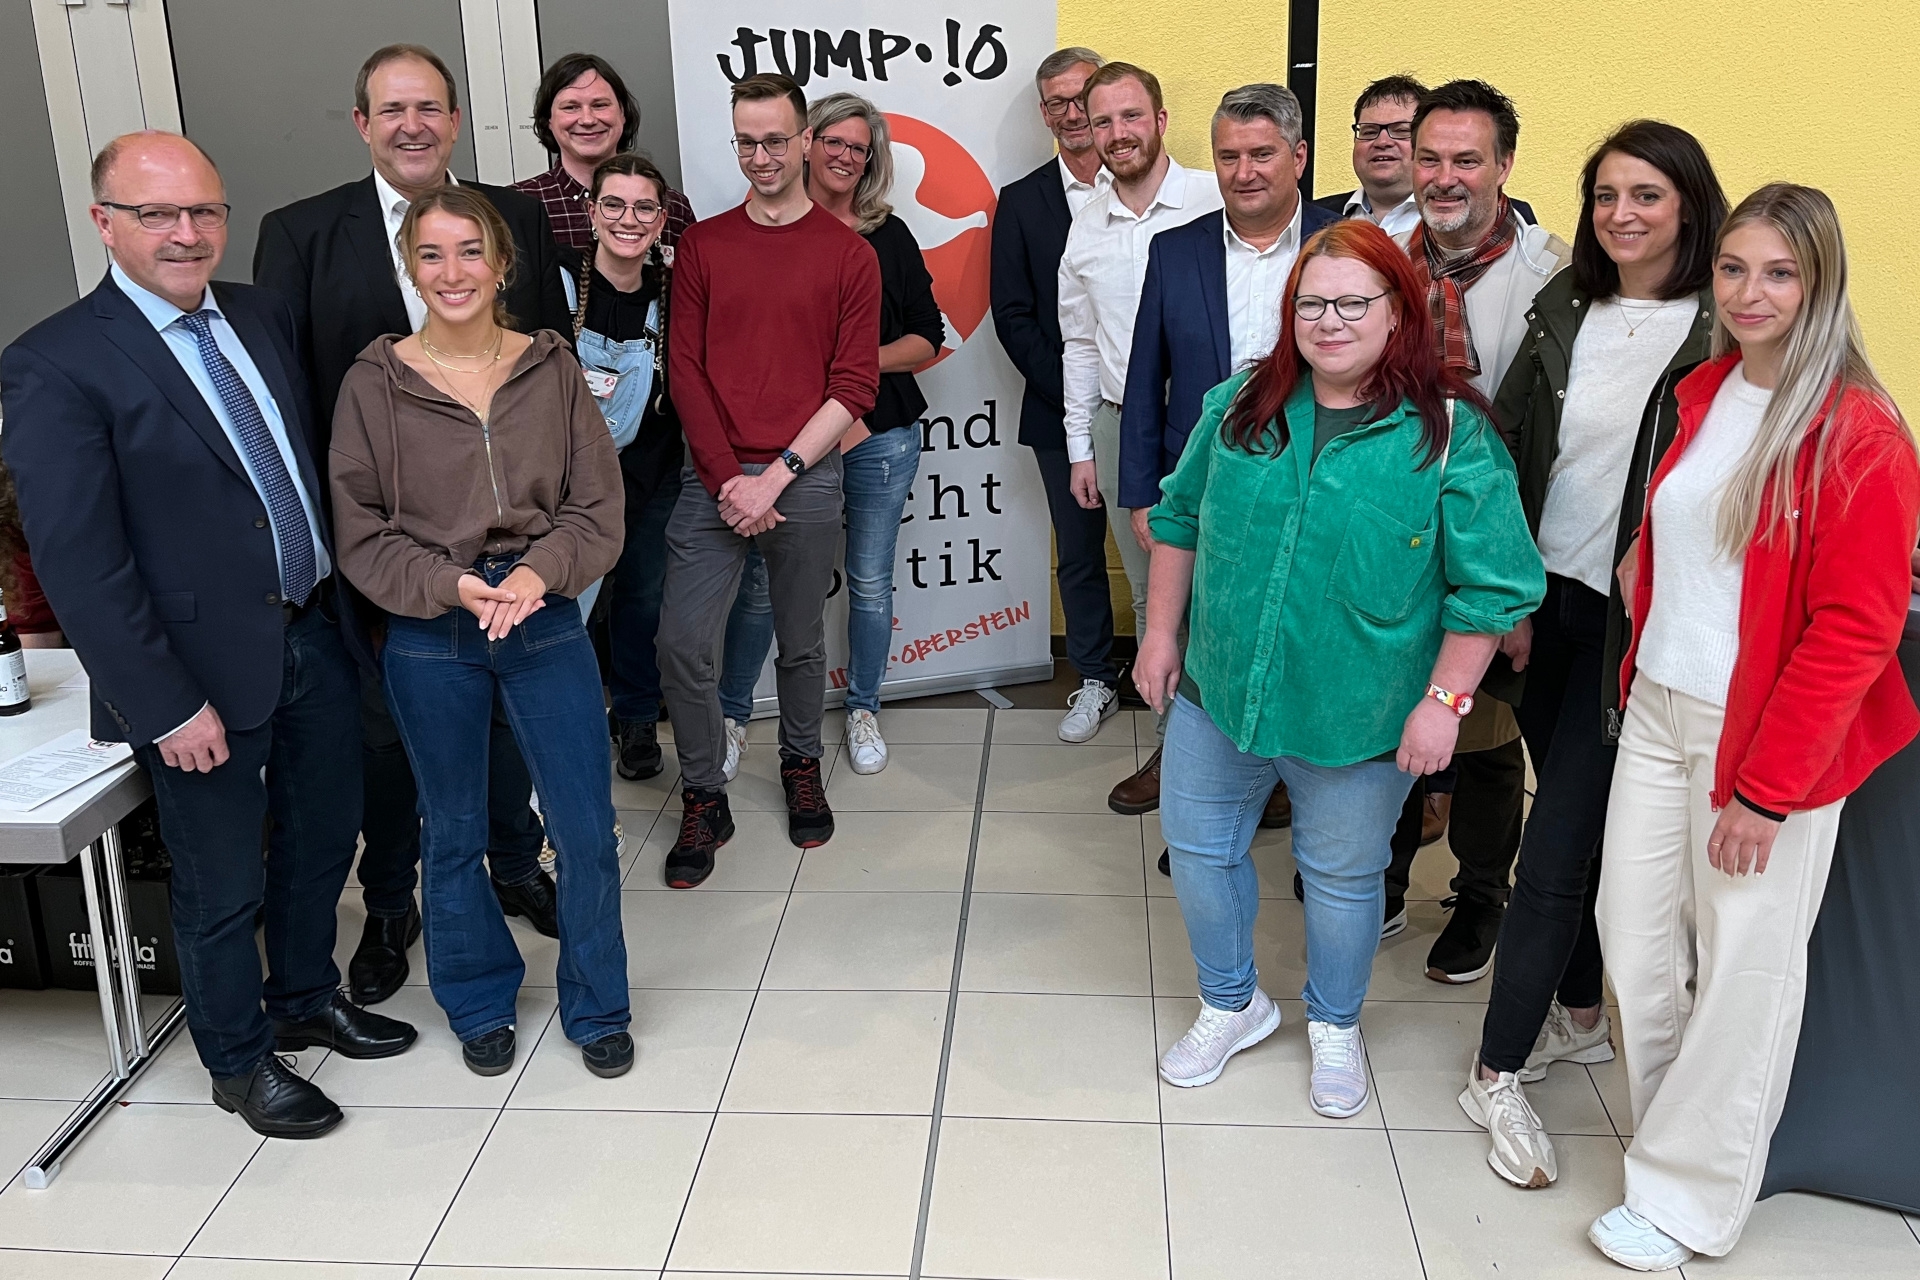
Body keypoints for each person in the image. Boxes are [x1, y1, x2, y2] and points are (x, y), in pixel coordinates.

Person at [1, 132, 418, 1139]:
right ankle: (237, 1061)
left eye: (204, 210)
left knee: (323, 842)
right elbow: (81, 564)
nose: (186, 232)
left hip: (313, 633)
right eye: (157, 213)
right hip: (194, 676)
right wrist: (164, 704)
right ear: (105, 223)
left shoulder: (260, 313)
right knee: (221, 883)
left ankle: (305, 997)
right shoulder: (53, 364)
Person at [1138, 219, 1543, 1117]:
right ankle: (1231, 1003)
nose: (1329, 322)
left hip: (1357, 712)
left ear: (1399, 310)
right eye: (1310, 304)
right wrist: (1161, 635)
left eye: (1353, 303)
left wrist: (1443, 702)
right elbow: (1179, 519)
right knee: (1200, 852)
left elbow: (1493, 587)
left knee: (1341, 881)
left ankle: (1333, 1022)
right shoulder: (1240, 405)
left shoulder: (1448, 434)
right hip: (1220, 691)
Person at [1586, 184, 1920, 1271]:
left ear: (1820, 283)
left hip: (1766, 733)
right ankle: (1679, 1142)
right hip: (1658, 703)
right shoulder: (1706, 387)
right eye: (1734, 268)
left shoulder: (1859, 431)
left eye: (1780, 272)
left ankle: (1692, 1199)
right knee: (1634, 938)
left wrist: (1768, 791)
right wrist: (1647, 567)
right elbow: (1687, 529)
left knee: (1744, 966)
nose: (1750, 292)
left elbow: (1856, 630)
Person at [254, 43, 572, 1000]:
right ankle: (394, 900)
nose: (412, 126)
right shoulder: (301, 233)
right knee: (386, 731)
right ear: (362, 124)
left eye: (429, 107)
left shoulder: (513, 218)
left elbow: (550, 372)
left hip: (511, 546)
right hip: (383, 551)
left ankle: (514, 861)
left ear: (456, 121)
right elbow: (287, 401)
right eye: (392, 110)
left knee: (506, 714)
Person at [1462, 121, 1727, 1191]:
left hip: (1636, 625)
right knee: (1573, 812)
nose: (1622, 215)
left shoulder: (1723, 327)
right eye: (1607, 195)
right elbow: (1506, 444)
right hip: (1547, 604)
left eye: (1647, 196)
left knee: (1562, 839)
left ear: (1690, 205)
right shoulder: (1568, 303)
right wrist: (1506, 592)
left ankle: (1493, 1068)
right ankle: (1578, 1011)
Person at [329, 185, 633, 1081]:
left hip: (545, 616)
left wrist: (541, 572)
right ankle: (477, 999)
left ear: (503, 265)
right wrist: (448, 585)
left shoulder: (551, 367)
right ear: (409, 268)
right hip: (432, 627)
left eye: (470, 252)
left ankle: (598, 1002)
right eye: (431, 254)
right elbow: (360, 528)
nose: (452, 271)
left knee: (584, 827)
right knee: (452, 828)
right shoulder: (373, 382)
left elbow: (596, 503)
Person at [654, 73, 880, 887]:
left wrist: (775, 476)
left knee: (802, 638)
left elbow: (854, 386)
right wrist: (729, 479)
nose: (760, 157)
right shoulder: (705, 246)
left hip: (804, 473)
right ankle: (704, 793)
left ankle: (799, 762)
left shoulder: (849, 255)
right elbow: (683, 369)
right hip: (713, 475)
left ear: (806, 141)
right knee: (682, 643)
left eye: (775, 140)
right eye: (746, 142)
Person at [1387, 79, 1571, 986]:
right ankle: (1384, 879)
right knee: (1387, 711)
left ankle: (1480, 896)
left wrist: (1514, 585)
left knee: (1486, 730)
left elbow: (1561, 442)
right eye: (1430, 158)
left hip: (1497, 540)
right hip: (1393, 534)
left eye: (1467, 159)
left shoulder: (1555, 279)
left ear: (1505, 165)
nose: (1445, 177)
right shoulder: (1378, 257)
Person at [1119, 82, 1335, 849]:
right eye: (1228, 156)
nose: (1244, 172)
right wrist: (1143, 492)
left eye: (1261, 154)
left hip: (1319, 478)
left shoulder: (1346, 242)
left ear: (1298, 157)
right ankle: (1199, 780)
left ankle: (1291, 774)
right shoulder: (1175, 250)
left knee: (1299, 623)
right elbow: (1145, 379)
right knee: (1201, 627)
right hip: (1206, 482)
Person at [717, 93, 943, 775]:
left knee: (870, 581)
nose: (845, 156)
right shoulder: (765, 228)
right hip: (784, 442)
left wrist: (851, 367)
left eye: (859, 148)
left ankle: (864, 708)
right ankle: (730, 716)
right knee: (763, 582)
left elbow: (926, 338)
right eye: (834, 142)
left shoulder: (887, 235)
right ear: (807, 144)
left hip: (877, 436)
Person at [1059, 60, 1221, 789]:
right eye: (1103, 121)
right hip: (1125, 429)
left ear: (1160, 120)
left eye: (1131, 116)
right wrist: (1081, 445)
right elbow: (1080, 341)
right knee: (1155, 595)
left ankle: (1252, 757)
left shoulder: (1216, 200)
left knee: (1229, 589)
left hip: (1217, 432)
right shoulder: (1086, 224)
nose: (1117, 133)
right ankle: (1176, 749)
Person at [990, 47, 1122, 741]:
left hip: (1152, 411)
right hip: (1057, 410)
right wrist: (1079, 394)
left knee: (1172, 544)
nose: (1072, 113)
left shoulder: (1155, 190)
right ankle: (1096, 677)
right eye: (1057, 103)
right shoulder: (1021, 201)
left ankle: (1184, 682)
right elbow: (1012, 315)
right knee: (1078, 551)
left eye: (1083, 97)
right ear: (1044, 114)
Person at [559, 154, 683, 783]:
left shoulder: (676, 293)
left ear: (660, 221)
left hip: (649, 478)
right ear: (591, 211)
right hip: (568, 484)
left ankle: (635, 718)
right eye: (613, 204)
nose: (627, 219)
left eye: (643, 208)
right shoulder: (556, 284)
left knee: (642, 600)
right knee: (564, 607)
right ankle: (572, 722)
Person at [512, 51, 697, 253]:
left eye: (600, 105)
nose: (587, 120)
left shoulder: (673, 207)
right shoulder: (517, 206)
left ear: (623, 113)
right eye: (571, 107)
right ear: (548, 120)